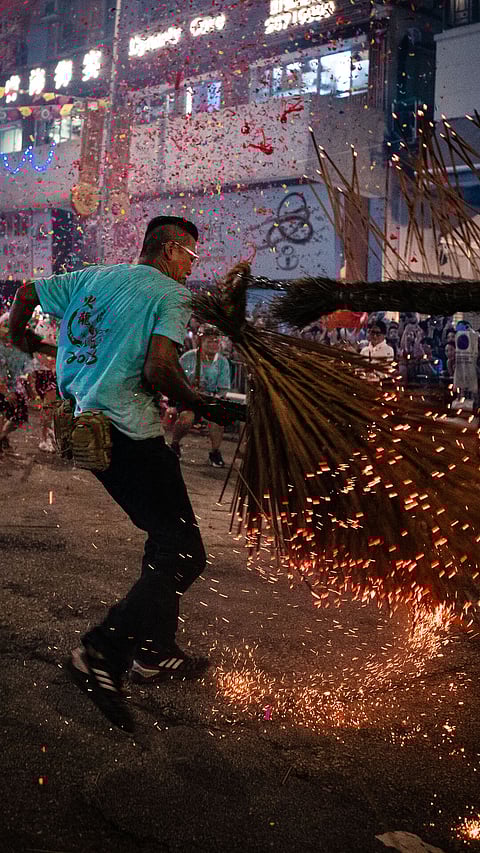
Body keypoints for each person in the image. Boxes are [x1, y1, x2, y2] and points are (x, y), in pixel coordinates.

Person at [7, 215, 237, 733]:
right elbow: (159, 368)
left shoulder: (92, 276)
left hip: (86, 427)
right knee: (183, 552)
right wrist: (203, 404)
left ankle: (154, 652)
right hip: (131, 433)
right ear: (170, 250)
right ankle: (102, 651)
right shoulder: (171, 295)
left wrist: (21, 338)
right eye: (191, 257)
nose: (191, 267)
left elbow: (25, 293)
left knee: (164, 539)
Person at [171, 325, 231, 468]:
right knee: (186, 419)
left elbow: (223, 388)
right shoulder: (188, 358)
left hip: (210, 400)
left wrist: (214, 397)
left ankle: (215, 452)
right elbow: (176, 379)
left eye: (216, 341)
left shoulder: (222, 362)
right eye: (209, 341)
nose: (213, 344)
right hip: (189, 398)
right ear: (201, 341)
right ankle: (174, 444)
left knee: (217, 421)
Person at [0, 311, 34, 456]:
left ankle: (2, 438)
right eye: (5, 326)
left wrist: (27, 388)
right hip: (5, 389)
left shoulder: (12, 347)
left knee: (18, 417)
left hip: (11, 388)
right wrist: (6, 392)